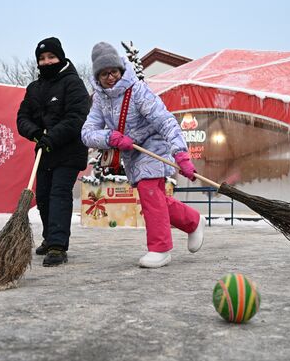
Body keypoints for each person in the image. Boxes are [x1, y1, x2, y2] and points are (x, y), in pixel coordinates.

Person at [81, 42, 206, 268]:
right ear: (97, 77)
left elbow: (166, 122)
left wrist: (182, 155)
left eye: (114, 71)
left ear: (121, 70)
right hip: (132, 154)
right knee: (156, 199)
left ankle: (161, 249)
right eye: (103, 74)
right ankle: (193, 221)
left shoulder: (137, 90)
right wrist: (111, 138)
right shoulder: (99, 100)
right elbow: (87, 133)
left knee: (150, 192)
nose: (110, 77)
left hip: (152, 146)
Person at [17, 37, 90, 267]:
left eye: (51, 57)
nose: (47, 62)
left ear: (61, 57)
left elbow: (77, 118)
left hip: (68, 150)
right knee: (44, 197)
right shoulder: (34, 88)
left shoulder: (73, 84)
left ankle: (58, 246)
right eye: (42, 58)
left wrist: (52, 137)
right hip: (45, 151)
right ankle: (49, 238)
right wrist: (36, 133)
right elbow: (22, 118)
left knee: (59, 194)